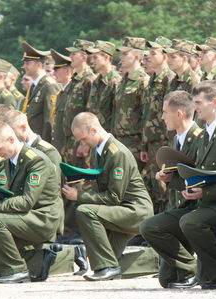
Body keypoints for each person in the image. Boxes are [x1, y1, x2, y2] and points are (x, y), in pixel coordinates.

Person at [140, 81, 216, 289]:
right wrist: (174, 180)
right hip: (204, 203)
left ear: (214, 103)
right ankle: (203, 269)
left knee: (191, 221)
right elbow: (198, 174)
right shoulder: (205, 134)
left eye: (198, 102)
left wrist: (203, 194)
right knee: (150, 227)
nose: (194, 107)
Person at [0, 122, 63, 283]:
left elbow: (27, 201)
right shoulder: (10, 160)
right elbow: (7, 193)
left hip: (41, 218)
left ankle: (17, 270)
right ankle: (40, 259)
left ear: (11, 140)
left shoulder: (36, 161)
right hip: (22, 217)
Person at [62, 112, 153, 281]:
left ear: (93, 130)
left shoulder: (117, 153)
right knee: (113, 256)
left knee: (85, 211)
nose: (82, 144)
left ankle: (107, 267)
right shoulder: (100, 151)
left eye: (83, 139)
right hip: (122, 211)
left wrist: (79, 195)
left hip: (135, 211)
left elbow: (113, 197)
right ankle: (155, 262)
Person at [145, 91, 203, 286]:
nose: (161, 117)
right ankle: (192, 267)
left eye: (164, 112)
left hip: (194, 207)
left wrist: (170, 180)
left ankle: (196, 268)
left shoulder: (198, 138)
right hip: (178, 206)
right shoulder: (177, 138)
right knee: (167, 279)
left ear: (178, 114)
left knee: (150, 227)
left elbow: (198, 178)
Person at [141, 37, 176, 212]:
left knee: (165, 186)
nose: (148, 57)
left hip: (165, 140)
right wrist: (145, 143)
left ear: (164, 56)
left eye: (154, 53)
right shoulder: (152, 79)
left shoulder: (169, 79)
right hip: (152, 140)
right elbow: (147, 113)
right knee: (155, 186)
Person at [113, 37, 150, 169]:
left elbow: (146, 115)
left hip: (135, 142)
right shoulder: (123, 81)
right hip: (119, 139)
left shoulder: (143, 81)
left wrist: (144, 145)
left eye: (125, 53)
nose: (121, 57)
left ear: (136, 56)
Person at [19, 41, 60, 141]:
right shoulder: (35, 85)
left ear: (38, 64)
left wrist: (45, 143)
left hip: (40, 140)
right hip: (31, 139)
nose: (24, 66)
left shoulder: (48, 85)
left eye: (27, 63)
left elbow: (49, 119)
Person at [86, 41, 122, 127]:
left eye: (95, 58)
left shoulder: (116, 81)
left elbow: (117, 114)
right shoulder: (96, 82)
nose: (92, 61)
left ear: (106, 57)